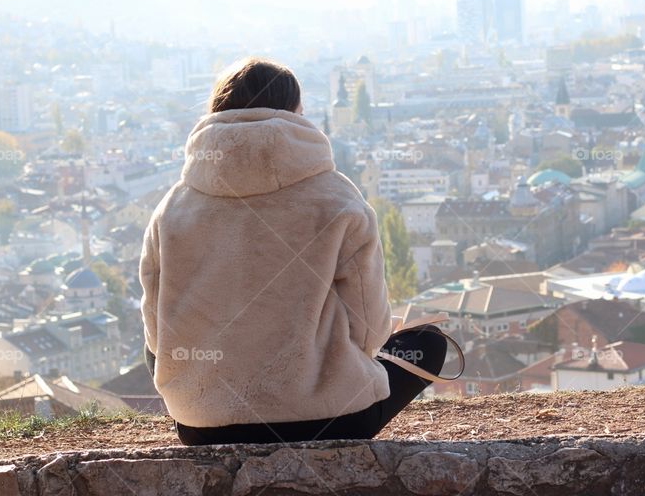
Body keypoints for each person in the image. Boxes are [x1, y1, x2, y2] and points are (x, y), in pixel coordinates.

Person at [139, 57, 447, 445]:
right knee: (428, 343)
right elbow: (368, 332)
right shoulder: (337, 196)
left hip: (202, 425)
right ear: (296, 116)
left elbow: (155, 333)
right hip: (330, 418)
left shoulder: (172, 208)